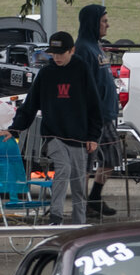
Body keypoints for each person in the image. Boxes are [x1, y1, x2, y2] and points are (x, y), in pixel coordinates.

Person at [7, 31, 103, 224]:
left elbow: (95, 106)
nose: (57, 57)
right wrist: (13, 130)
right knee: (63, 169)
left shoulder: (82, 70)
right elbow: (30, 106)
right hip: (54, 135)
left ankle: (79, 224)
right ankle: (56, 216)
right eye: (54, 53)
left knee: (78, 184)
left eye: (61, 53)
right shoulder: (46, 74)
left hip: (79, 138)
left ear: (72, 51)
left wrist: (93, 136)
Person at [75, 2, 120, 216]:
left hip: (107, 116)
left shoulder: (96, 45)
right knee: (86, 163)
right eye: (103, 21)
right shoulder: (83, 49)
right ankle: (81, 206)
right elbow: (83, 85)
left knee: (112, 157)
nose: (107, 25)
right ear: (92, 23)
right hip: (92, 118)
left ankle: (95, 197)